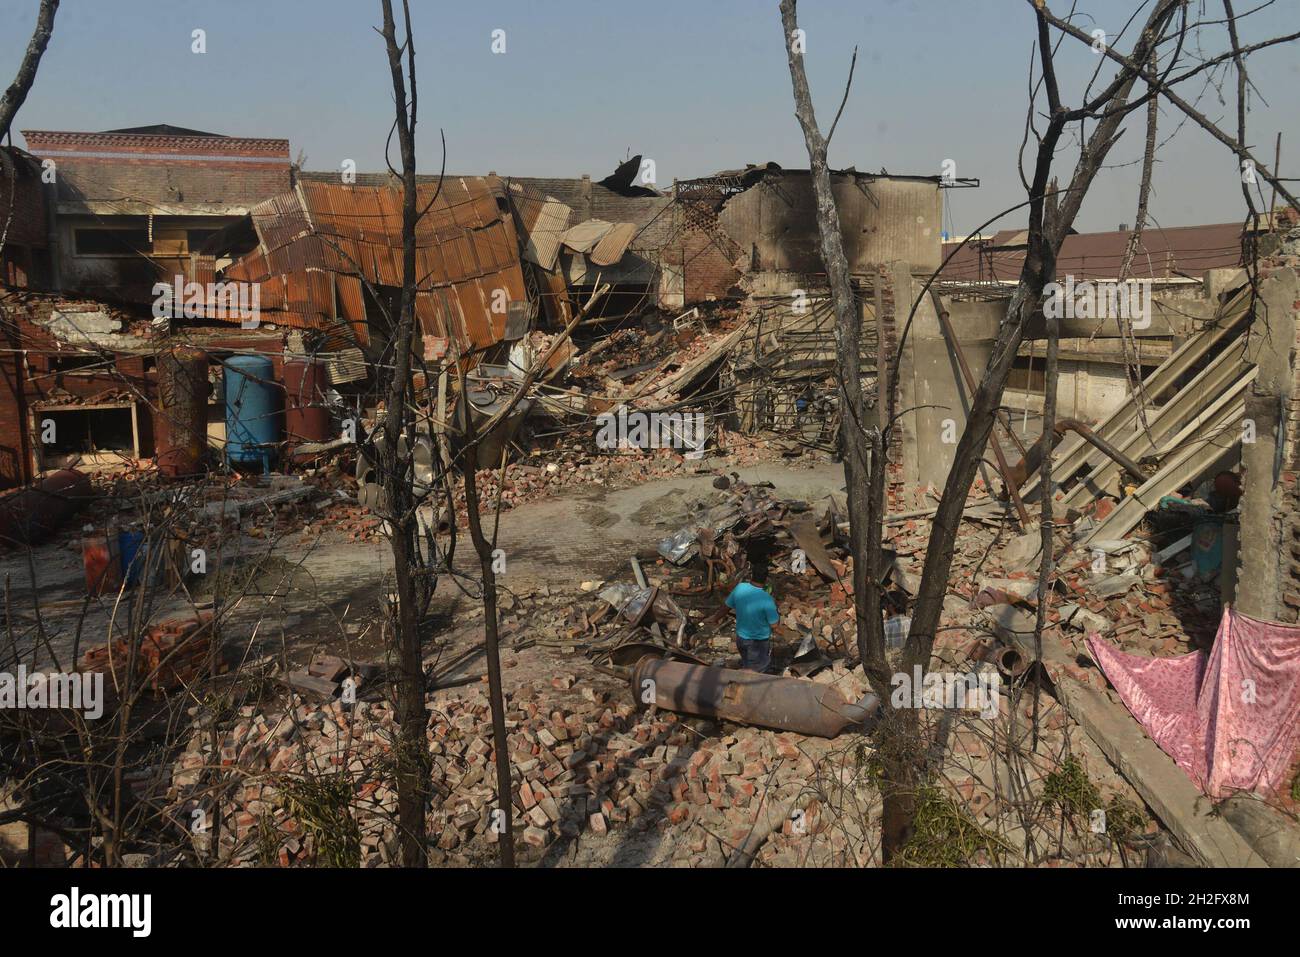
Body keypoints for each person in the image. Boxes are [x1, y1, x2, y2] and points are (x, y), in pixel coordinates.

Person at [725, 563, 779, 672]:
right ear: (765, 579)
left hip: (741, 639)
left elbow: (726, 606)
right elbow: (774, 624)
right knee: (755, 670)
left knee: (748, 662)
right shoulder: (767, 599)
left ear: (751, 575)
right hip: (758, 642)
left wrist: (714, 618)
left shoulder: (740, 588)